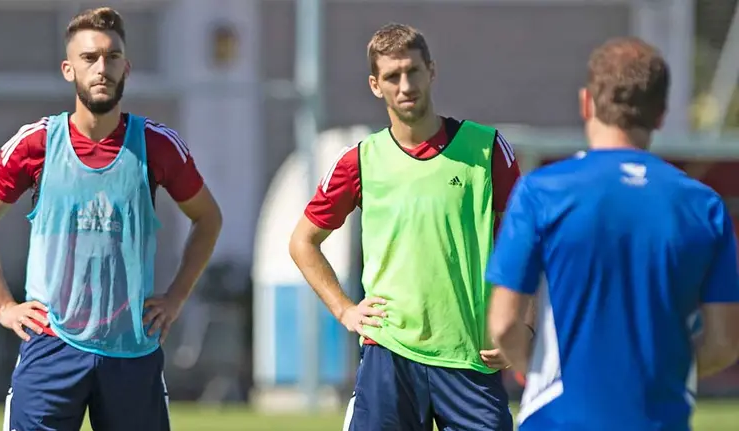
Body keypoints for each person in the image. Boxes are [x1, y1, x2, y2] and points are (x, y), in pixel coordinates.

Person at [0, 8, 222, 431]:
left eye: (112, 56)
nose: (101, 68)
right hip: (51, 346)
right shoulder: (37, 143)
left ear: (127, 67)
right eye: (89, 58)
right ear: (68, 69)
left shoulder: (156, 145)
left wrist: (176, 297)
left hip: (132, 350)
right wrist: (3, 306)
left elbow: (208, 218)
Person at [486, 37, 739, 430]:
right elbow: (724, 342)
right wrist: (663, 375)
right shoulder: (704, 206)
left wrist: (536, 372)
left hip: (558, 419)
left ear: (586, 102)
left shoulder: (542, 191)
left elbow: (504, 324)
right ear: (660, 114)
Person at [289, 23, 524, 431]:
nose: (405, 85)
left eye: (412, 71)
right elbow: (303, 242)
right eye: (392, 76)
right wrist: (345, 310)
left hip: (471, 355)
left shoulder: (486, 149)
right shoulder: (359, 160)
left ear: (431, 71)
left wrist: (521, 325)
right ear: (375, 85)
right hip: (389, 354)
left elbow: (525, 244)